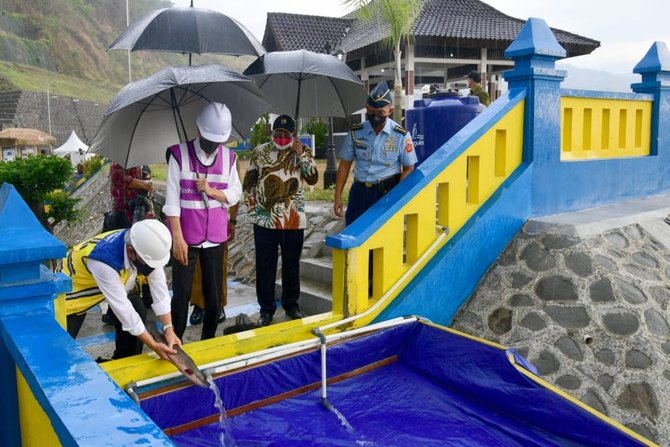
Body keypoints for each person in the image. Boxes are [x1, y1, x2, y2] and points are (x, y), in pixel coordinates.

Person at [164, 102, 242, 340]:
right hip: (186, 237)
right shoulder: (178, 155)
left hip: (215, 238)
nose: (212, 147)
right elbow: (172, 201)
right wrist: (177, 238)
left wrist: (212, 191)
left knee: (213, 295)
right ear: (198, 131)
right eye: (209, 141)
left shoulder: (229, 158)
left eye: (217, 142)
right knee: (181, 294)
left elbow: (235, 193)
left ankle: (208, 339)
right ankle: (175, 341)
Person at [62, 220, 180, 360]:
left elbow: (160, 290)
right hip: (75, 290)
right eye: (147, 264)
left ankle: (125, 361)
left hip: (120, 280)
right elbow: (123, 309)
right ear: (131, 251)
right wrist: (153, 345)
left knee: (137, 315)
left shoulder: (144, 245)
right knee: (62, 346)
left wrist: (169, 328)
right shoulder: (104, 261)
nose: (151, 268)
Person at [243, 114, 318, 326]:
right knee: (265, 266)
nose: (281, 137)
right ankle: (266, 309)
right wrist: (252, 210)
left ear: (293, 135)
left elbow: (312, 177)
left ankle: (291, 305)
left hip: (293, 220)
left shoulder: (303, 151)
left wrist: (301, 154)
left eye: (286, 134)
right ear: (272, 132)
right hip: (265, 221)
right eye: (278, 133)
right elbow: (249, 182)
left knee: (291, 266)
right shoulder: (260, 152)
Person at [334, 81, 418, 226]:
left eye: (380, 113)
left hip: (386, 193)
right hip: (358, 193)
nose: (375, 117)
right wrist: (337, 196)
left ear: (390, 111)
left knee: (383, 239)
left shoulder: (401, 135)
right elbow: (344, 165)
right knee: (354, 235)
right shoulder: (356, 132)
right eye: (371, 112)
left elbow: (409, 168)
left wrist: (396, 195)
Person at [188, 203, 238, 326]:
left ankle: (219, 304)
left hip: (218, 221)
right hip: (194, 219)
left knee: (219, 265)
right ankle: (198, 305)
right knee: (196, 266)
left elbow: (234, 195)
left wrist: (232, 220)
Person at [105, 162, 154, 231]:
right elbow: (118, 177)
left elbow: (147, 181)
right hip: (124, 210)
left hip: (139, 205)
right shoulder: (118, 164)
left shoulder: (141, 165)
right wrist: (144, 184)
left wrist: (147, 183)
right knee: (133, 233)